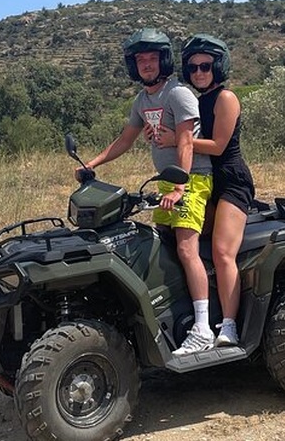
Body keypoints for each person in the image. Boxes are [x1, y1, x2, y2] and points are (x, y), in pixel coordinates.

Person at [77, 28, 216, 355]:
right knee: (160, 246)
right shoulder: (142, 100)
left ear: (163, 60)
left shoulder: (178, 94)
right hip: (168, 182)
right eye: (141, 60)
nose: (147, 65)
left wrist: (180, 185)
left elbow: (186, 141)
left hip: (193, 179)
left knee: (186, 248)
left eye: (152, 58)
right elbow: (125, 139)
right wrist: (92, 163)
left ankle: (202, 328)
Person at [151, 34, 254, 347]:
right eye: (193, 67)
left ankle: (229, 326)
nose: (198, 72)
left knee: (222, 252)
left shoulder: (226, 98)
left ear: (218, 66)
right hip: (204, 181)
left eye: (206, 66)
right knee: (176, 238)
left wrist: (178, 140)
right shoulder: (195, 100)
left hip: (231, 181)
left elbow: (219, 145)